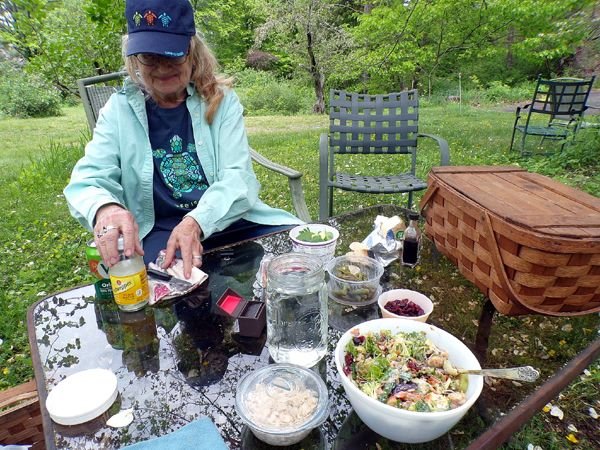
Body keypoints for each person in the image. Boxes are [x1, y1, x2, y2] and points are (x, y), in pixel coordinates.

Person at [64, 0, 302, 279]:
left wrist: (196, 221)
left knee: (301, 254)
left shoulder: (221, 102)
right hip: (161, 231)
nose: (162, 67)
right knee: (181, 295)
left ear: (192, 51)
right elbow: (87, 179)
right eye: (149, 57)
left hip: (231, 219)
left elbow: (238, 178)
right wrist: (105, 208)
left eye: (172, 54)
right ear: (134, 59)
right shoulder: (118, 111)